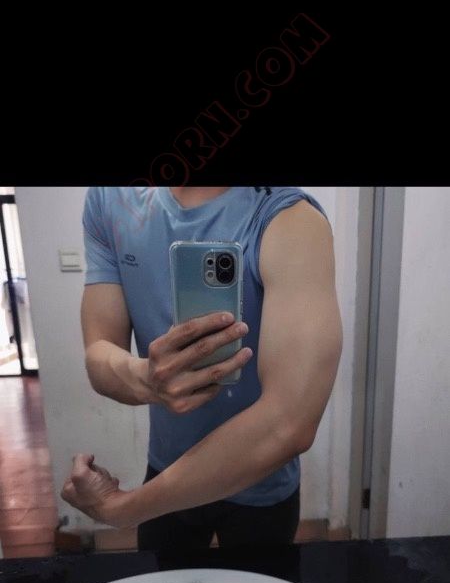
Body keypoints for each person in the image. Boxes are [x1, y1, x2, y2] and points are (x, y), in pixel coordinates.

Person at [61, 186, 343, 551]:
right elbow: (99, 352)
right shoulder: (110, 198)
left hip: (260, 482)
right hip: (166, 468)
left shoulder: (291, 218)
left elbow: (289, 423)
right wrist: (148, 379)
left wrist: (123, 509)